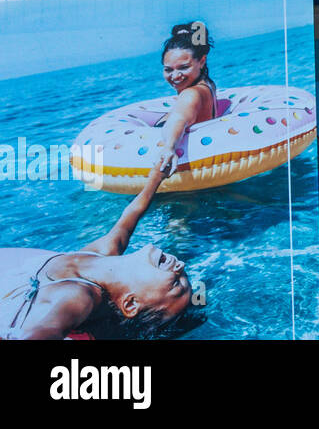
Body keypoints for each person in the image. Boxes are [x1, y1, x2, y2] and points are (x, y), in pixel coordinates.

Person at [0, 161, 194, 339]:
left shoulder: (78, 297)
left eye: (176, 283)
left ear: (130, 303)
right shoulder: (106, 250)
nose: (181, 265)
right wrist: (157, 176)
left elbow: (43, 333)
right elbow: (131, 216)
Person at [155, 22, 218, 176]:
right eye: (168, 70)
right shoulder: (208, 85)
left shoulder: (190, 94)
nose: (175, 76)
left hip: (184, 179)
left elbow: (179, 119)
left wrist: (169, 147)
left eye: (183, 67)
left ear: (202, 61)